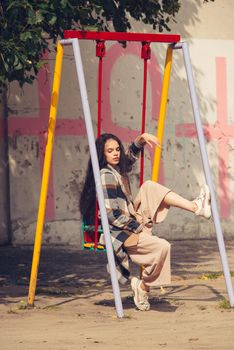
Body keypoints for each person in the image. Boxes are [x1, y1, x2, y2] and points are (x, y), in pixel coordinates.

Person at [79, 132, 211, 311]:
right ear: (103, 155)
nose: (116, 153)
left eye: (117, 149)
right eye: (110, 151)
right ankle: (143, 287)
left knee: (149, 186)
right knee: (163, 247)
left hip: (130, 217)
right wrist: (139, 227)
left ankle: (196, 207)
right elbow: (112, 215)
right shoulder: (106, 176)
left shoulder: (116, 169)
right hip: (120, 231)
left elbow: (128, 158)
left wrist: (140, 140)